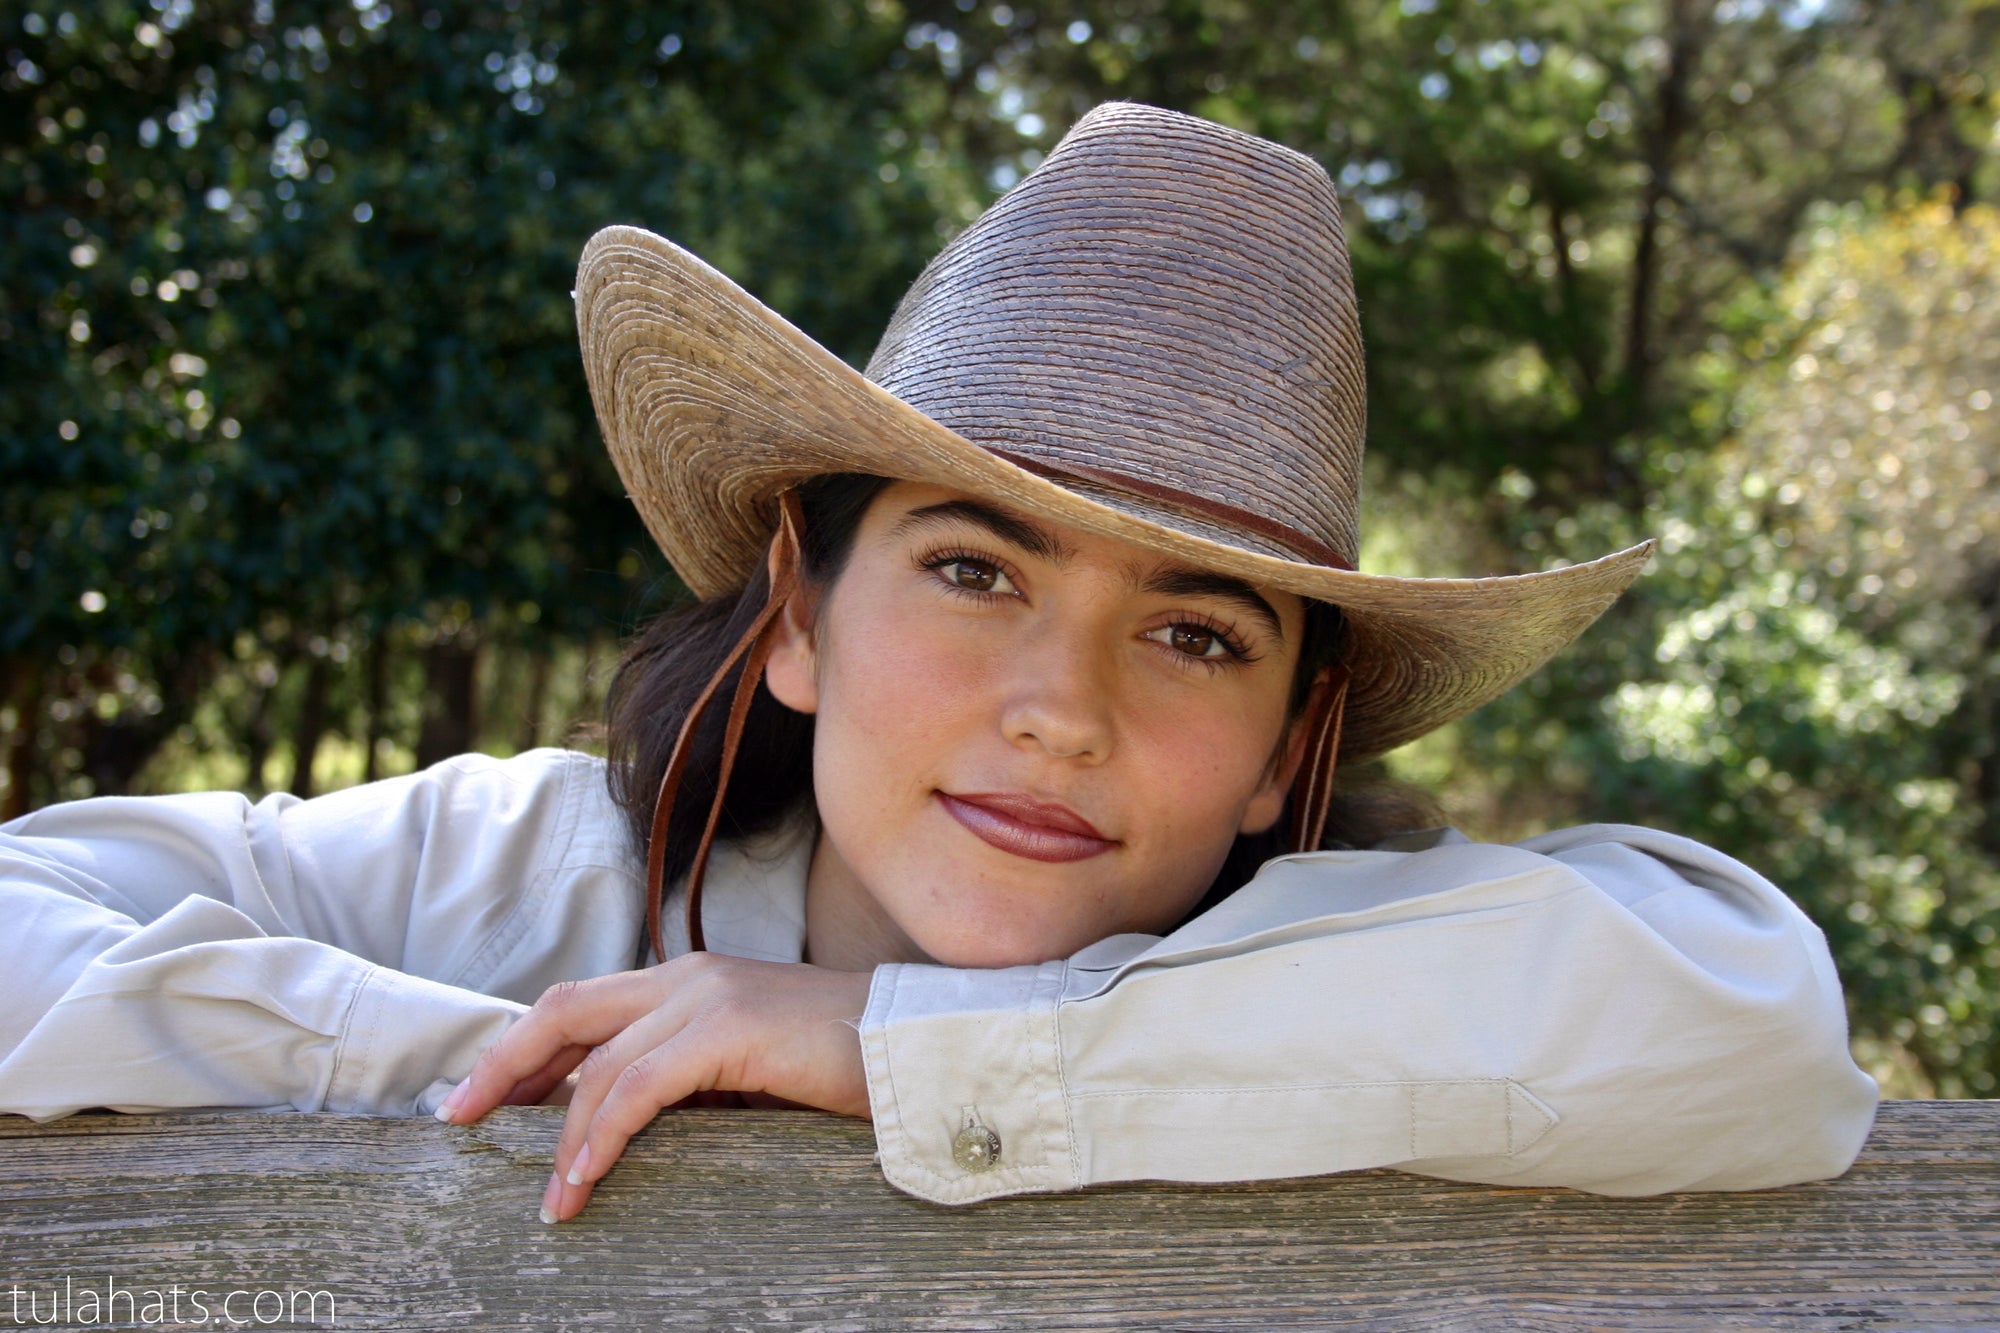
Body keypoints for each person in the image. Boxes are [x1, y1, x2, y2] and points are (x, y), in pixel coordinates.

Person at [0, 103, 1877, 1223]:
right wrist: (524, 1063)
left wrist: (905, 1047)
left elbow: (1761, 1029)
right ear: (797, 615)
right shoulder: (536, 867)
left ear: (1284, 744)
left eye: (1195, 630)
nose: (1061, 708)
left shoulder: (1357, 966)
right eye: (975, 568)